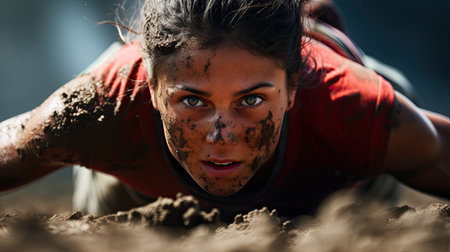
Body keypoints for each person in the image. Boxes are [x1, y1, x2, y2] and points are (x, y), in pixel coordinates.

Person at [0, 0, 448, 221]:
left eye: (251, 100)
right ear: (152, 89)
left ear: (293, 90)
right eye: (192, 101)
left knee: (397, 94)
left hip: (334, 180)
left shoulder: (354, 110)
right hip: (141, 183)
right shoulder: (102, 106)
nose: (222, 135)